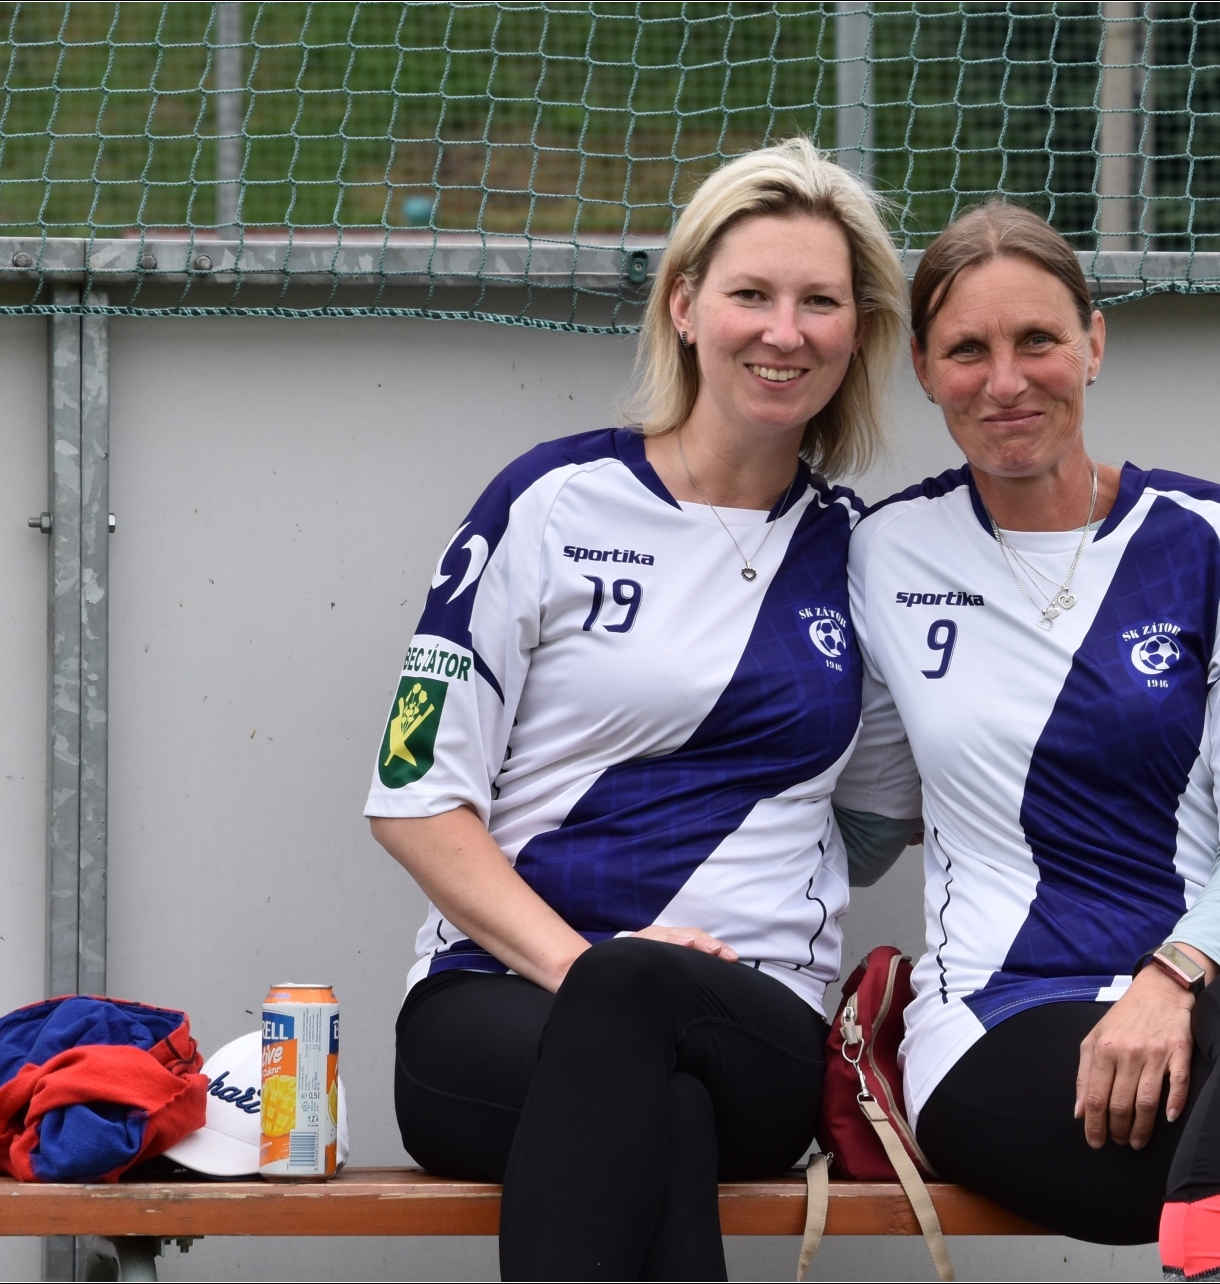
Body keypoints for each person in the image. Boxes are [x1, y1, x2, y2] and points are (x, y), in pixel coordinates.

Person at [365, 137, 908, 1280]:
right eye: (751, 294)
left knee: (657, 1056)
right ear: (683, 305)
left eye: (819, 302)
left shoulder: (866, 553)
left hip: (756, 1021)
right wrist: (594, 967)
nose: (784, 331)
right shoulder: (550, 503)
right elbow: (415, 800)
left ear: (856, 332)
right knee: (660, 1097)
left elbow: (872, 818)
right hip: (494, 1004)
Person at [835, 202, 1220, 1282]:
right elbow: (865, 824)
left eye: (1037, 340)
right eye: (967, 350)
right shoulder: (886, 550)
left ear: (1093, 342)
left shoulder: (1219, 538)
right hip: (1002, 1018)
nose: (1005, 381)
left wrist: (1167, 980)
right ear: (923, 369)